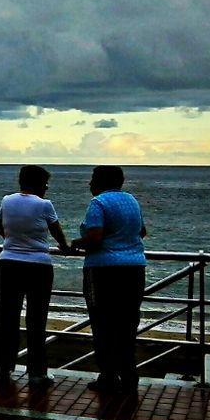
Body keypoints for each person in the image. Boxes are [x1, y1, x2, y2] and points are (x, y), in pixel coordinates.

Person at [70, 165, 148, 394]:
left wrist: (76, 243)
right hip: (134, 267)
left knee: (102, 322)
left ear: (101, 181)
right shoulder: (132, 200)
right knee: (127, 323)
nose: (89, 184)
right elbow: (141, 231)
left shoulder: (99, 203)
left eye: (92, 179)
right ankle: (129, 375)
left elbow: (95, 237)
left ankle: (108, 376)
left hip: (103, 270)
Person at [0, 165, 71, 387]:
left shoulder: (6, 201)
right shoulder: (44, 205)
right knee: (37, 320)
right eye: (45, 183)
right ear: (38, 184)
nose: (47, 188)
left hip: (8, 263)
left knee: (8, 317)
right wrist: (65, 247)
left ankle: (4, 367)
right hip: (38, 266)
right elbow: (58, 234)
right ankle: (37, 373)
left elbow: (2, 230)